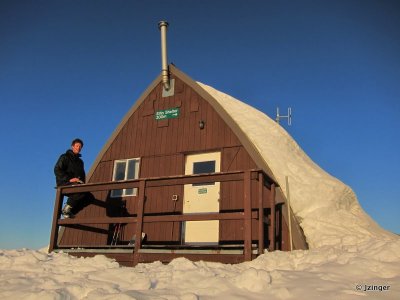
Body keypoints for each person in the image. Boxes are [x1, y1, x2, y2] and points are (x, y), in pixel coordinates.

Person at [54, 138, 93, 218]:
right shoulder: (65, 157)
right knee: (79, 189)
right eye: (77, 146)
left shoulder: (80, 162)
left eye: (80, 146)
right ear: (72, 146)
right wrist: (69, 178)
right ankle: (66, 210)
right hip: (64, 182)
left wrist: (83, 184)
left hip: (77, 184)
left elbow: (82, 175)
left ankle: (69, 211)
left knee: (89, 197)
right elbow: (57, 169)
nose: (78, 148)